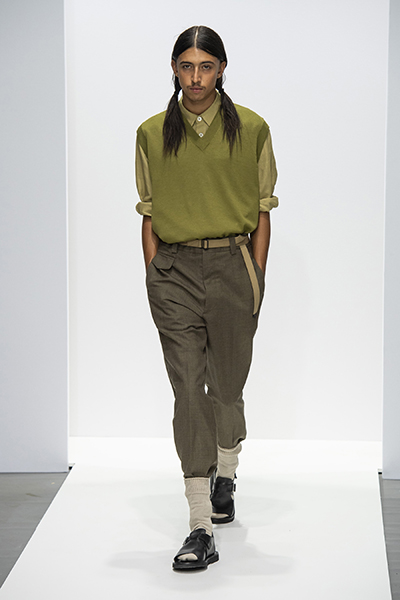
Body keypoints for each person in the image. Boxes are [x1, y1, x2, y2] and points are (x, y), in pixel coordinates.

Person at [135, 25, 278, 571]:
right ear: (174, 69)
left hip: (232, 268)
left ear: (221, 69)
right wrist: (155, 271)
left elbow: (262, 208)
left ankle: (227, 471)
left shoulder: (253, 129)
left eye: (206, 66)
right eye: (186, 66)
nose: (196, 78)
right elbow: (148, 209)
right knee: (188, 389)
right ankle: (200, 523)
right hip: (174, 271)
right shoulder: (152, 133)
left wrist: (255, 274)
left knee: (227, 387)